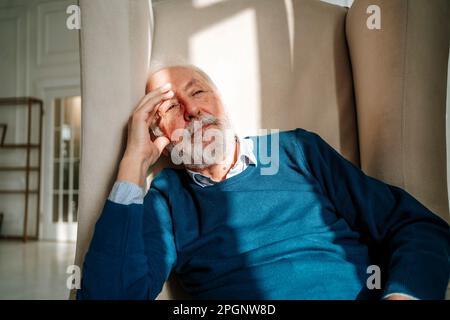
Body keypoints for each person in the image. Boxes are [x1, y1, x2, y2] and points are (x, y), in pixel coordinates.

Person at [77, 65, 450, 300]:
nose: (192, 111)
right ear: (160, 135)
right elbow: (110, 294)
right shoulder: (167, 200)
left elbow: (415, 225)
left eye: (198, 92)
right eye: (171, 108)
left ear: (221, 102)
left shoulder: (297, 150)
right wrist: (134, 161)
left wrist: (404, 295)